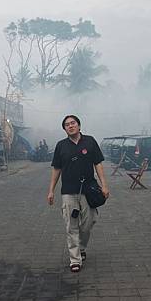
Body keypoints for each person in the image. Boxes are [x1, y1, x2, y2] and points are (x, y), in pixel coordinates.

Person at [47, 115, 109, 273]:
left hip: (88, 190)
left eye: (73, 123)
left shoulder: (90, 141)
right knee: (71, 225)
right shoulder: (61, 146)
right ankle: (75, 259)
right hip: (68, 191)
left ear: (79, 125)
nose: (70, 126)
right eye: (67, 125)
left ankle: (81, 247)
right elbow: (56, 169)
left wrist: (104, 185)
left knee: (88, 223)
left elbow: (98, 164)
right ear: (65, 129)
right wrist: (51, 191)